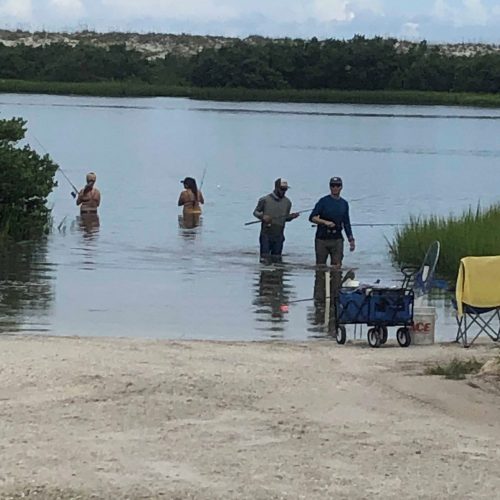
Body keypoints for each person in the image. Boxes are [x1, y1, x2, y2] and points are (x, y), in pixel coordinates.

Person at [309, 176, 355, 268]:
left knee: (337, 267)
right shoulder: (323, 201)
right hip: (322, 239)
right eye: (332, 185)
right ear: (330, 187)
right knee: (320, 267)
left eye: (337, 185)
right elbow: (312, 217)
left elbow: (346, 223)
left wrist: (351, 239)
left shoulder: (344, 204)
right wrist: (325, 222)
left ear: (341, 187)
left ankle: (336, 282)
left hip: (337, 239)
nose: (335, 188)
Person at [253, 178, 299, 262]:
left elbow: (285, 218)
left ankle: (276, 274)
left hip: (279, 234)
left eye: (285, 189)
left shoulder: (288, 202)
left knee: (277, 258)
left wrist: (291, 217)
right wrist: (263, 216)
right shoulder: (265, 199)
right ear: (276, 187)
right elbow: (255, 212)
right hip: (266, 234)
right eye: (282, 189)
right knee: (264, 258)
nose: (283, 191)